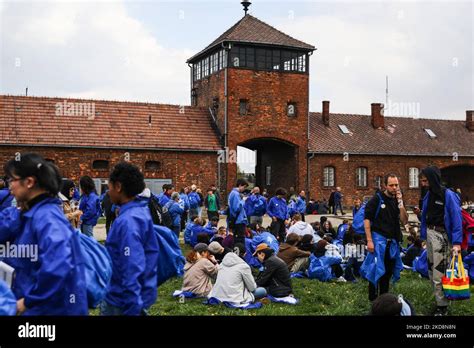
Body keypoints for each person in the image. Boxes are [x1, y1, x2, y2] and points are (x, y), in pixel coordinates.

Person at [2, 153, 88, 315]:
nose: (10, 187)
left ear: (29, 182)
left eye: (11, 180)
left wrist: (26, 302)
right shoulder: (31, 214)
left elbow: (58, 267)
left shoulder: (47, 219)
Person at [101, 162, 159, 316]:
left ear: (118, 186)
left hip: (121, 301)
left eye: (109, 186)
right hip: (135, 296)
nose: (108, 191)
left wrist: (132, 307)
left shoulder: (128, 221)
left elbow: (132, 265)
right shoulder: (140, 212)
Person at [418, 166, 462, 316]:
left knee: (439, 273)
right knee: (431, 271)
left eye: (425, 180)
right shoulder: (428, 195)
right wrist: (423, 236)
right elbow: (425, 217)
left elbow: (457, 219)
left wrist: (456, 243)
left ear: (432, 180)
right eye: (421, 181)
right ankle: (439, 302)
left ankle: (442, 308)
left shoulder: (448, 195)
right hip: (430, 235)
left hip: (442, 236)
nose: (422, 184)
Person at [362, 173, 408, 302]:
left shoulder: (397, 199)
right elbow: (367, 220)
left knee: (387, 271)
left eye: (396, 185)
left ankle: (383, 298)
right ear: (385, 186)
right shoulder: (376, 199)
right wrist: (369, 240)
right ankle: (373, 298)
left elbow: (404, 221)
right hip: (378, 240)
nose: (394, 188)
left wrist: (401, 203)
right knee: (375, 269)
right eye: (391, 185)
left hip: (392, 241)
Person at [228, 178, 249, 245]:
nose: (244, 189)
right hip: (238, 221)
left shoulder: (233, 193)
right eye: (244, 187)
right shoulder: (235, 194)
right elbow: (237, 208)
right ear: (240, 185)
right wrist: (243, 200)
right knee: (239, 240)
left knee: (238, 239)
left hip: (237, 220)